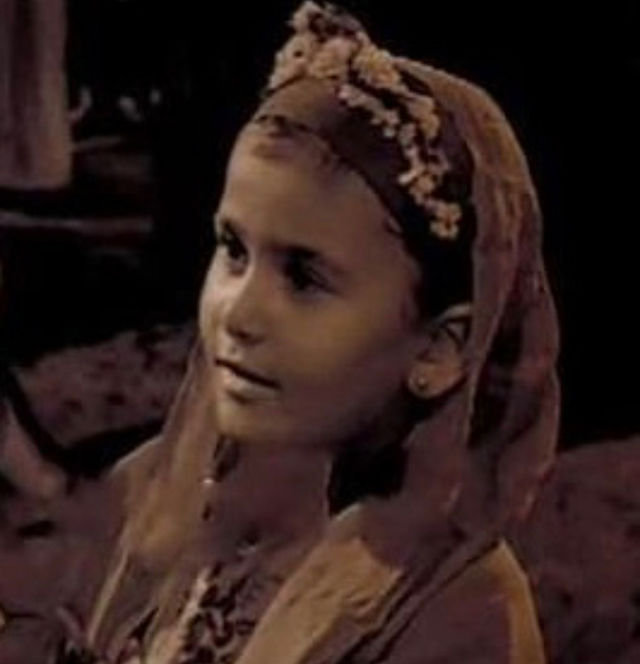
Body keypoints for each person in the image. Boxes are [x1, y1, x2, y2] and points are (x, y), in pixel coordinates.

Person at [58, 2, 560, 662]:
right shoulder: (157, 494)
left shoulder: (461, 613)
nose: (238, 314)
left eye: (304, 278)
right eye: (233, 250)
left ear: (440, 351)